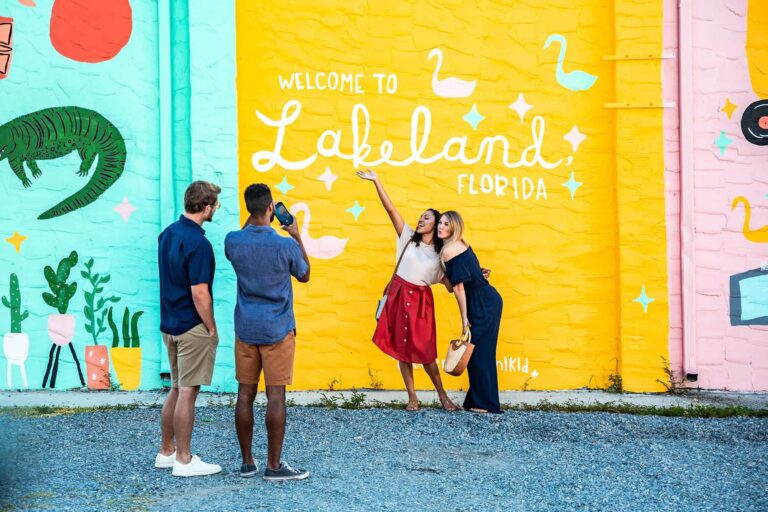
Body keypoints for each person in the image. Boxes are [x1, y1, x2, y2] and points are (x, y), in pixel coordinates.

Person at [225, 183, 311, 481]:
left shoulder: (233, 241)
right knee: (276, 396)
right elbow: (305, 274)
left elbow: (242, 235)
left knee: (244, 394)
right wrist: (297, 234)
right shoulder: (285, 245)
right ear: (271, 209)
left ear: (249, 209)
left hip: (246, 328)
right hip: (277, 329)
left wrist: (256, 216)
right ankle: (274, 467)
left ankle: (247, 462)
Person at [357, 168, 459, 412]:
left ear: (436, 227)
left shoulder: (440, 253)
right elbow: (390, 209)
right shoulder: (407, 237)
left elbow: (448, 284)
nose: (421, 220)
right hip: (399, 296)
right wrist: (376, 181)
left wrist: (476, 276)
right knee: (402, 350)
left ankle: (443, 396)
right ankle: (412, 397)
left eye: (427, 218)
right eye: (421, 216)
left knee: (426, 353)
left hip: (421, 301)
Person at [156, 180, 223, 477]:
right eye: (215, 205)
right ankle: (184, 460)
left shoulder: (167, 234)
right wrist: (211, 328)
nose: (216, 209)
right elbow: (200, 293)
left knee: (175, 388)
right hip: (192, 326)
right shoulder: (199, 244)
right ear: (206, 207)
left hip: (170, 325)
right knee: (187, 392)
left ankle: (166, 451)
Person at [438, 210, 503, 414]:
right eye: (440, 223)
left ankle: (485, 403)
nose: (441, 227)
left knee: (479, 354)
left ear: (454, 227)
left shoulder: (449, 250)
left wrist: (464, 318)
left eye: (446, 224)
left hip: (481, 303)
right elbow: (464, 277)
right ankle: (478, 401)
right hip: (487, 298)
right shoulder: (461, 244)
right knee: (480, 353)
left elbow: (457, 288)